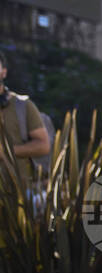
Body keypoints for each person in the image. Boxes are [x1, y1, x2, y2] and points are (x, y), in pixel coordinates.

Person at [0, 51, 50, 185]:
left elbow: (43, 146)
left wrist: (6, 151)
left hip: (18, 193)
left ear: (4, 72)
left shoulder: (23, 106)